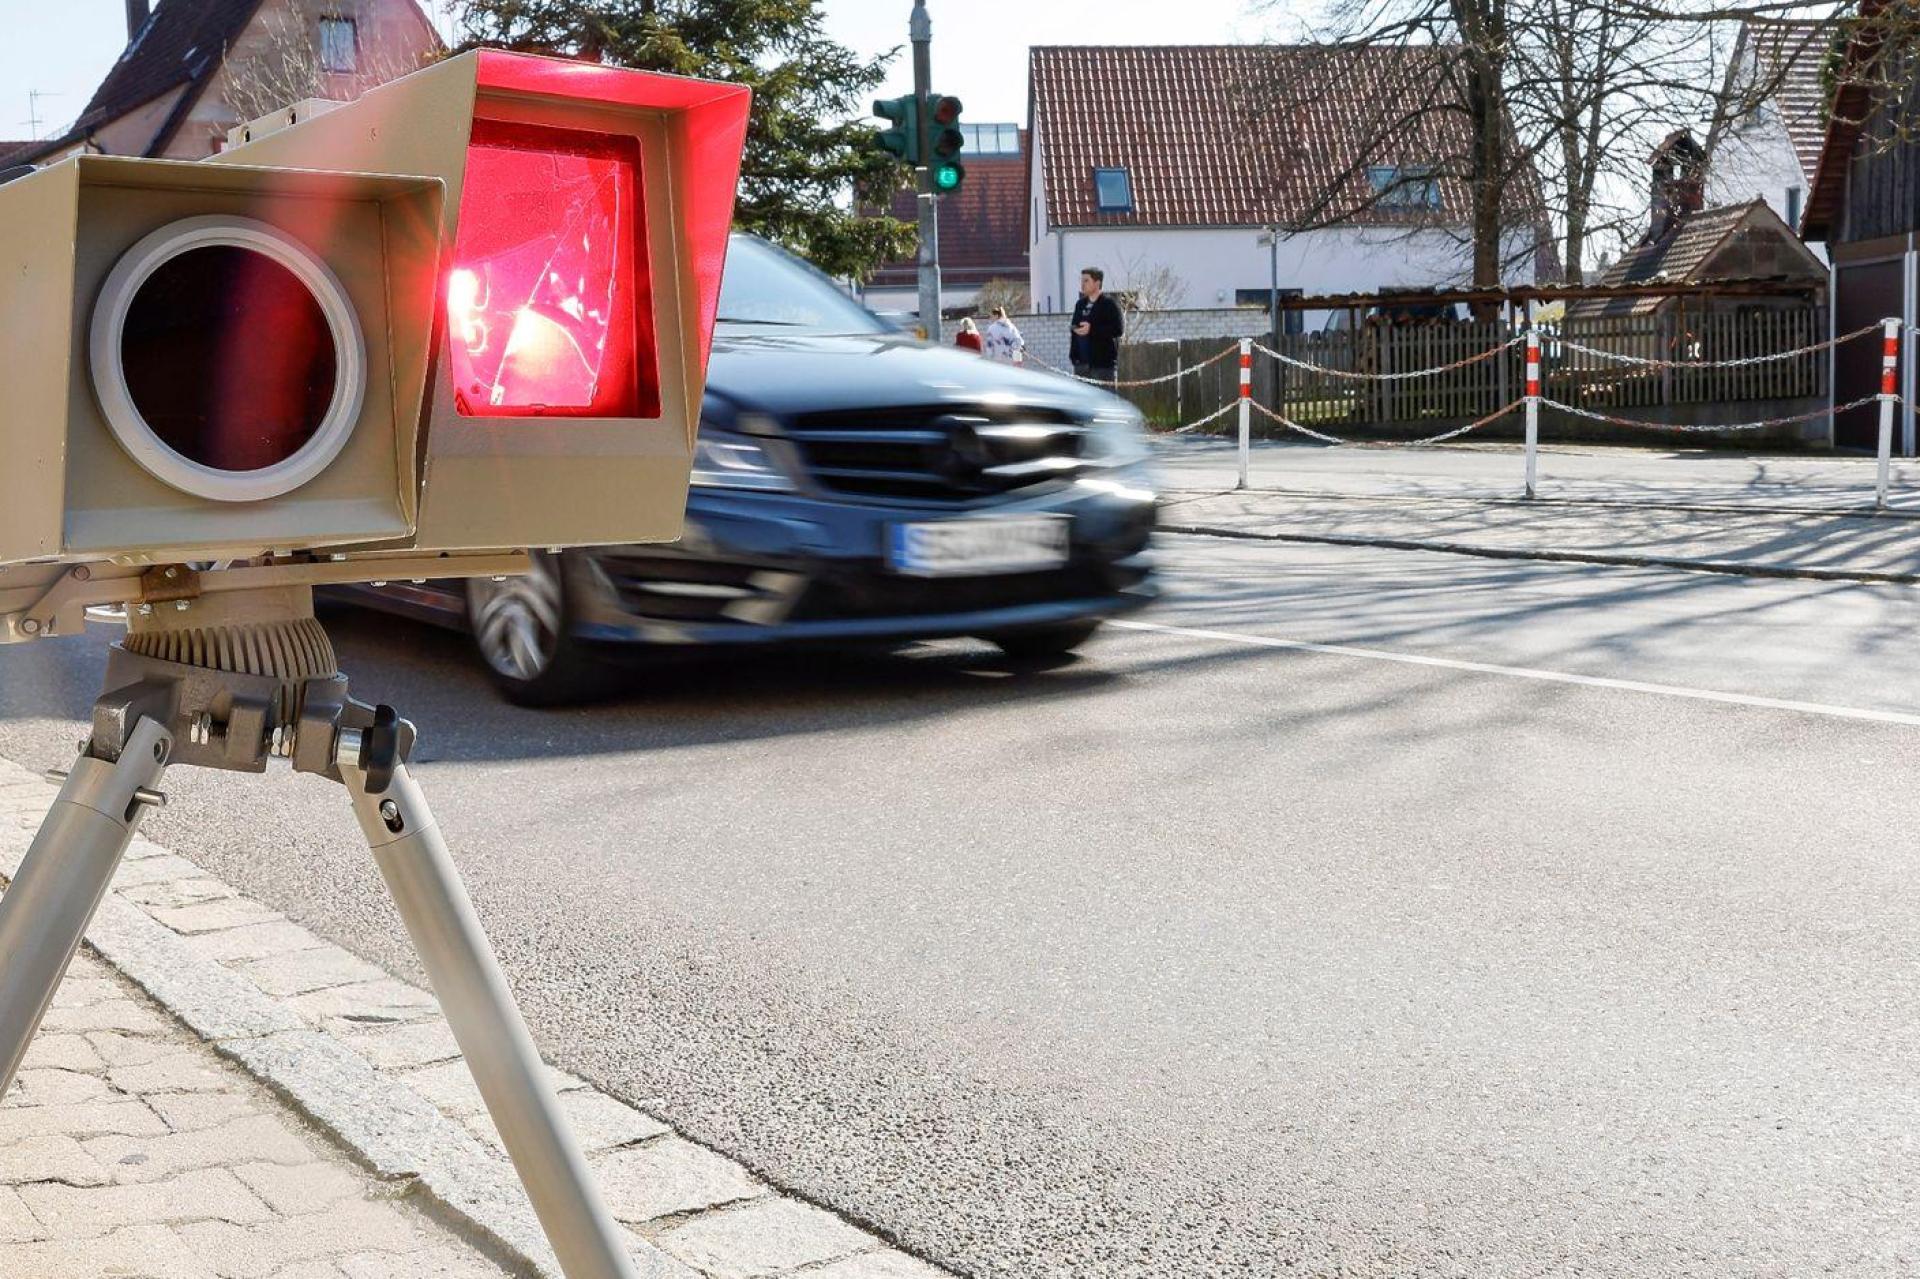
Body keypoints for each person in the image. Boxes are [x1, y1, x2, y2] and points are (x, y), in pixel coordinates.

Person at [1068, 267, 1124, 382]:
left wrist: (1092, 329)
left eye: (1086, 281)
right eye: (1081, 281)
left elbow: (1118, 329)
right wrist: (1075, 329)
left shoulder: (1109, 304)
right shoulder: (1080, 304)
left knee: (1104, 399)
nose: (1082, 284)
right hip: (1081, 365)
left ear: (1097, 283)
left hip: (1102, 366)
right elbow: (1074, 325)